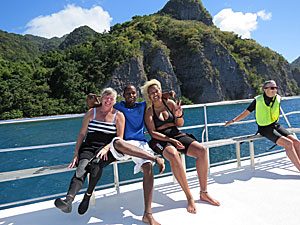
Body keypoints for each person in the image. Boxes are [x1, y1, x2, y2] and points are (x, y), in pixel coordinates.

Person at [54, 87, 165, 215]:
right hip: (89, 146)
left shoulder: (119, 115)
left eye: (111, 99)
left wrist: (107, 148)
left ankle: (87, 196)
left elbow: (119, 138)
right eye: (106, 98)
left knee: (96, 165)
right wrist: (76, 153)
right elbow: (81, 134)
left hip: (107, 147)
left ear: (114, 101)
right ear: (101, 98)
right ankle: (68, 200)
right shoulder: (92, 112)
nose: (108, 100)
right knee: (81, 168)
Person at [141, 79, 220, 215]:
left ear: (161, 91)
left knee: (202, 151)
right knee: (173, 154)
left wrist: (179, 115)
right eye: (151, 92)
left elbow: (180, 124)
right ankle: (189, 196)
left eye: (157, 91)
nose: (155, 94)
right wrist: (169, 140)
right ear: (149, 96)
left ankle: (203, 192)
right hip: (159, 139)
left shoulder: (169, 103)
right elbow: (153, 132)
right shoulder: (149, 112)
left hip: (176, 134)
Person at [114, 84, 173, 225]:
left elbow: (156, 96)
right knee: (145, 160)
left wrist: (167, 94)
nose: (131, 96)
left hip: (141, 143)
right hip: (126, 144)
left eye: (134, 93)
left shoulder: (142, 106)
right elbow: (104, 103)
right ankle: (155, 158)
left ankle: (148, 214)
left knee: (148, 168)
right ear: (123, 95)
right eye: (128, 93)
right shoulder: (118, 106)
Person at [225, 80, 300, 171]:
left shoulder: (278, 98)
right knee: (288, 144)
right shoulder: (258, 100)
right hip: (265, 128)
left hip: (275, 125)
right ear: (265, 89)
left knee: (296, 142)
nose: (274, 90)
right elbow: (246, 112)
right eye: (272, 88)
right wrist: (233, 120)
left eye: (276, 88)